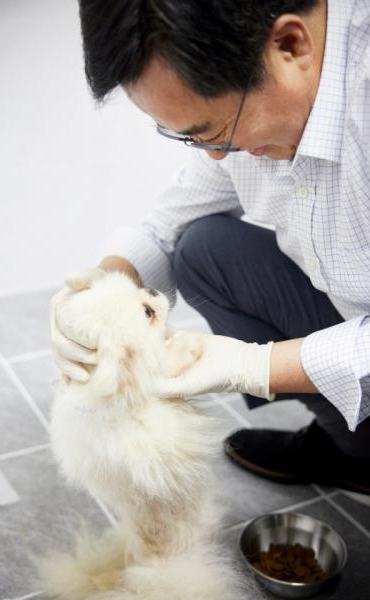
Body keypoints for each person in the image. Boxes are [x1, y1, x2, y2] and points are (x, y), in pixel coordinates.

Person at [51, 0, 370, 496]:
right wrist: (103, 291)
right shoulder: (242, 114)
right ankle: (356, 449)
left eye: (214, 131)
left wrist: (256, 365)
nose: (217, 154)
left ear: (290, 45)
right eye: (187, 136)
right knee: (205, 249)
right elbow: (167, 226)